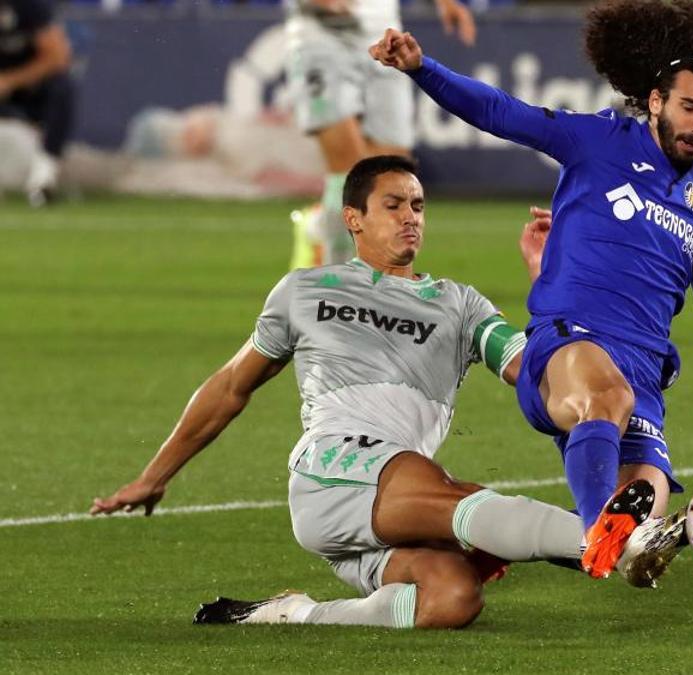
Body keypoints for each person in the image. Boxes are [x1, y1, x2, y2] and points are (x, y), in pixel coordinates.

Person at [368, 0, 693, 584]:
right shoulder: (597, 140)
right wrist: (422, 68)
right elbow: (500, 111)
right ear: (655, 100)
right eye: (690, 107)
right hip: (569, 342)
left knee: (647, 502)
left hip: (644, 371)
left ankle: (527, 539)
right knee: (606, 405)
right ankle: (599, 530)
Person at [90, 156, 657, 630]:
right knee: (457, 497)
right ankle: (613, 541)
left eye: (418, 206)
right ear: (353, 218)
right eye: (394, 205)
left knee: (452, 597)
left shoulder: (458, 305)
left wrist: (548, 281)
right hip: (333, 466)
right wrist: (154, 475)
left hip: (385, 506)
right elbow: (231, 386)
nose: (411, 218)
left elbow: (538, 370)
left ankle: (294, 613)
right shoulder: (303, 290)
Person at [284, 0, 477, 269]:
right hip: (321, 36)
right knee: (348, 173)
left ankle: (319, 227)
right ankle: (335, 292)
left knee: (391, 176)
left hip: (383, 35)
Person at [0, 0, 73, 206]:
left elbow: (58, 57)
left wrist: (10, 81)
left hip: (28, 88)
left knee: (62, 87)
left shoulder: (28, 6)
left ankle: (44, 176)